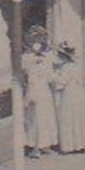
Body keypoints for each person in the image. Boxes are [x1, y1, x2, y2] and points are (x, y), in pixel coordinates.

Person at [52, 42, 85, 153]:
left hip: (70, 94)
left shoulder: (67, 67)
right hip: (77, 92)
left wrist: (53, 77)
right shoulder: (71, 66)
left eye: (60, 55)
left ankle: (73, 145)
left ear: (65, 56)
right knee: (78, 117)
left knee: (70, 117)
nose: (58, 57)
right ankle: (81, 143)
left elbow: (61, 82)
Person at [21, 28, 60, 156]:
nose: (39, 41)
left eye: (41, 38)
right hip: (34, 89)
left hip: (44, 91)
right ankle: (35, 147)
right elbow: (26, 72)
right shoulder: (27, 57)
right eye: (36, 38)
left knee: (46, 117)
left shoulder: (48, 55)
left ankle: (45, 145)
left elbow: (50, 74)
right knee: (35, 118)